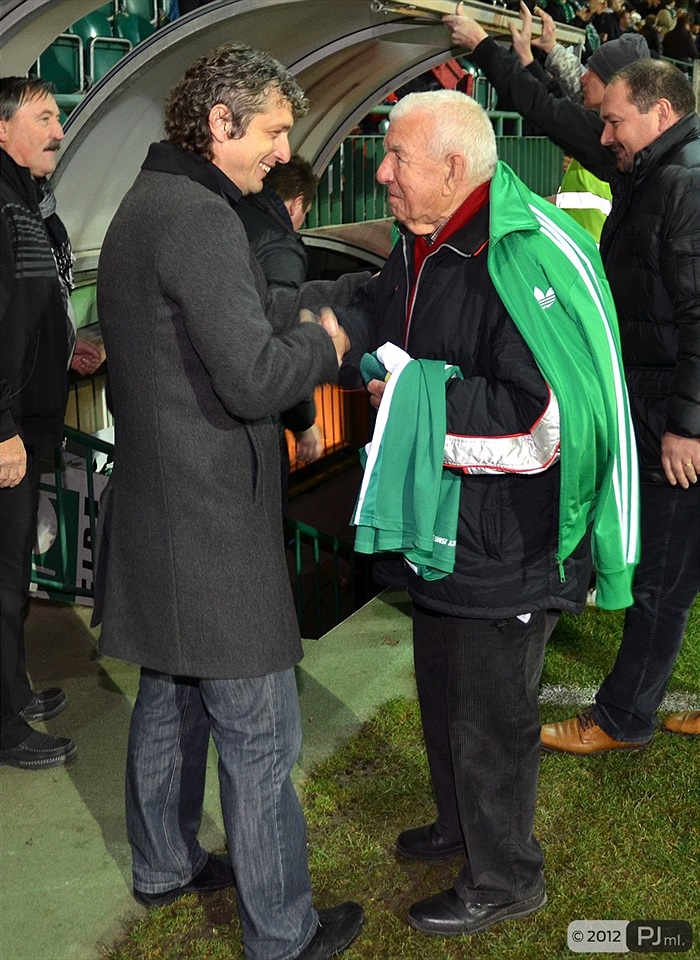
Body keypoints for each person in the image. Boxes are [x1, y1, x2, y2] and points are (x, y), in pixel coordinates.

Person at [340, 89, 637, 937]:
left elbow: (542, 420)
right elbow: (381, 308)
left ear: (453, 168)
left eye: (397, 157)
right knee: (443, 693)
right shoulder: (424, 237)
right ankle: (459, 826)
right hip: (446, 533)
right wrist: (326, 326)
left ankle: (507, 876)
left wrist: (410, 400)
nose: (382, 171)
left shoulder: (524, 254)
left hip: (510, 542)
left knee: (491, 718)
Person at [94, 43, 365, 960]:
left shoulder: (146, 204)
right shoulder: (201, 218)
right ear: (221, 123)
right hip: (210, 525)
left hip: (163, 513)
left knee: (169, 701)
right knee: (260, 735)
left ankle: (164, 865)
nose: (281, 152)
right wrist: (327, 342)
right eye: (274, 131)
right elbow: (253, 375)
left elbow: (232, 324)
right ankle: (283, 933)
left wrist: (327, 298)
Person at [444, 5, 700, 746]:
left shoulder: (682, 185)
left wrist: (687, 425)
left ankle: (622, 719)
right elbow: (565, 118)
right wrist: (507, 60)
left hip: (672, 419)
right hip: (658, 401)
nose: (606, 134)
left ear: (657, 111)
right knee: (670, 572)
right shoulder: (660, 165)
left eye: (616, 120)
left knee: (661, 579)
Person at [0, 77, 102, 771]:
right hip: (5, 430)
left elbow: (30, 318)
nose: (60, 131)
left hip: (28, 422)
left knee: (10, 581)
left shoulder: (29, 205)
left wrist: (66, 353)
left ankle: (11, 692)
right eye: (45, 117)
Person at [237, 155, 323, 507]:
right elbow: (283, 336)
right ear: (297, 203)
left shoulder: (230, 211)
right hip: (254, 423)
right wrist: (303, 422)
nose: (301, 224)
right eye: (305, 214)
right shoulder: (279, 246)